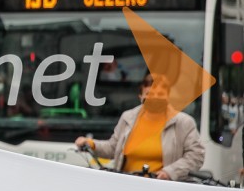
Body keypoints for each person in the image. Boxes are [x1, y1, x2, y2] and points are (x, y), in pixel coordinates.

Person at [75, 73, 204, 180]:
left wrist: (170, 172)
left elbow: (196, 156)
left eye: (160, 94)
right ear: (140, 96)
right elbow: (113, 148)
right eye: (149, 93)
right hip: (127, 184)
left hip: (163, 189)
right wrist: (91, 144)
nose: (154, 98)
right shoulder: (128, 117)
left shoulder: (183, 122)